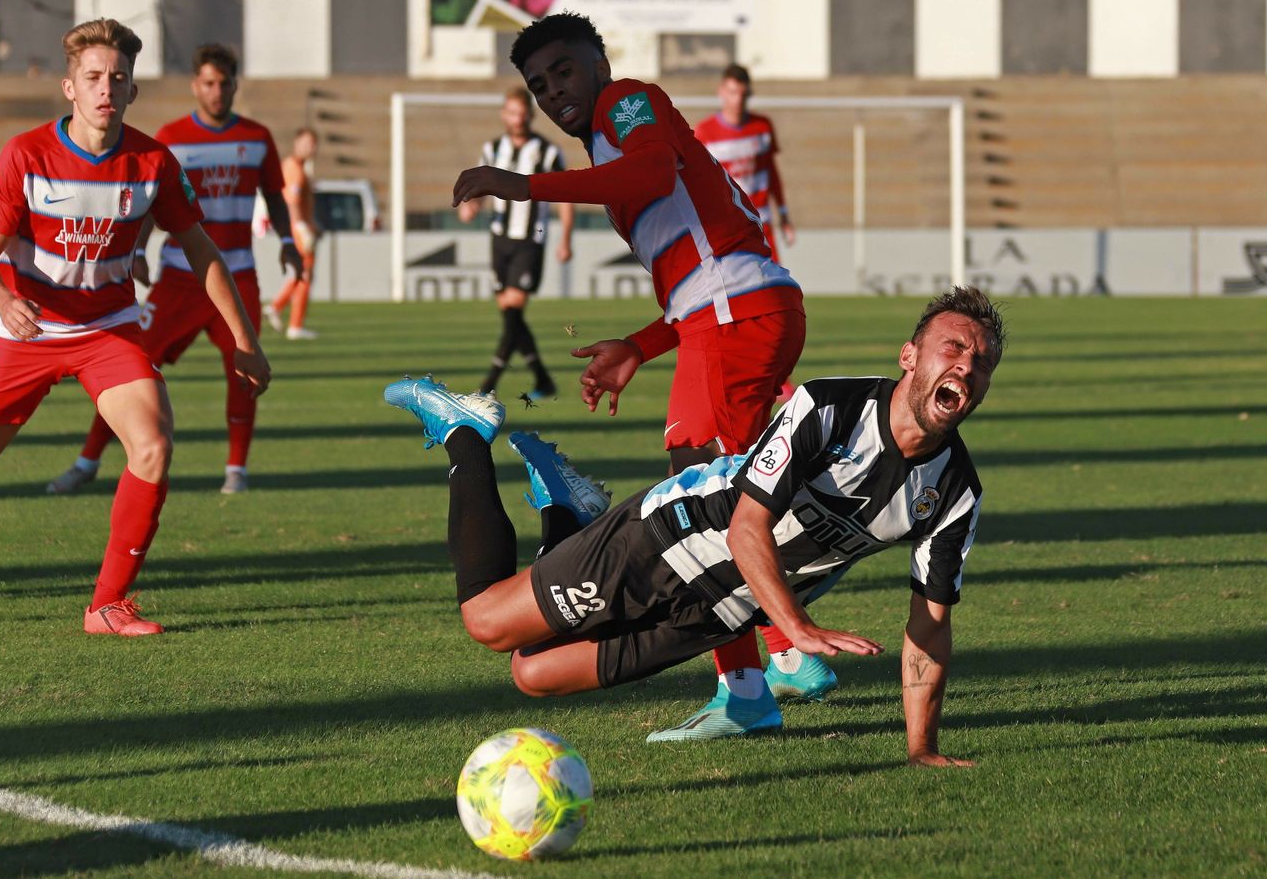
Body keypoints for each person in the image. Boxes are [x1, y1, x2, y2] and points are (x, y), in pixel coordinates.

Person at [384, 286, 1003, 765]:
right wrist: (795, 627)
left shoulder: (954, 492)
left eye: (981, 362)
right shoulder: (831, 408)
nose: (965, 366)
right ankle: (467, 432)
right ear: (909, 356)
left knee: (532, 672)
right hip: (667, 539)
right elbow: (745, 529)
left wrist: (921, 748)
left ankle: (567, 511)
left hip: (719, 612)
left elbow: (930, 624)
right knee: (487, 622)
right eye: (952, 348)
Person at [0, 18, 270, 638]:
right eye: (93, 77)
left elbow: (203, 253)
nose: (105, 88)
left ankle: (107, 605)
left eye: (117, 77)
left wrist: (246, 342)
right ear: (70, 87)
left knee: (152, 447)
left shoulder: (153, 162)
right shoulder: (26, 155)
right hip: (25, 334)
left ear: (133, 89)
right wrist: (5, 302)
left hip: (108, 330)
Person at [450, 12, 820, 738]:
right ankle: (775, 660)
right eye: (539, 84)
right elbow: (701, 262)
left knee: (704, 505)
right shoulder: (607, 144)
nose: (553, 91)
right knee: (716, 500)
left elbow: (655, 173)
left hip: (734, 318)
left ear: (599, 62)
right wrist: (641, 348)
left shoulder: (626, 102)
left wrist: (522, 185)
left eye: (563, 70)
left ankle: (763, 677)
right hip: (730, 314)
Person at [47, 43, 301, 497]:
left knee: (245, 374)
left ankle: (236, 471)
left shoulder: (258, 138)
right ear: (195, 86)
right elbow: (150, 201)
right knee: (129, 371)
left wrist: (287, 242)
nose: (217, 91)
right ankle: (88, 461)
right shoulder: (173, 137)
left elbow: (276, 198)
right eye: (209, 83)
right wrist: (139, 249)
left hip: (237, 277)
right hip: (178, 279)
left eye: (224, 83)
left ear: (235, 85)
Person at [457, 87, 574, 398]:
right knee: (512, 317)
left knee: (512, 314)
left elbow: (565, 197)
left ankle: (487, 386)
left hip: (529, 241)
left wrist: (565, 237)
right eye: (512, 113)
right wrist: (471, 205)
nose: (517, 119)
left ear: (530, 115)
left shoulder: (547, 151)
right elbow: (480, 189)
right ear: (503, 114)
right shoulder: (492, 149)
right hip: (499, 239)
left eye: (522, 113)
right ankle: (543, 380)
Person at [693, 63, 795, 262]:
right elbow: (698, 183)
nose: (738, 100)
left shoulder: (762, 127)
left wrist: (783, 212)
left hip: (761, 221)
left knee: (774, 279)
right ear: (722, 92)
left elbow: (771, 172)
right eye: (733, 93)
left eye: (743, 94)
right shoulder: (704, 133)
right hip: (727, 226)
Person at [263, 128, 319, 340]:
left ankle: (277, 307)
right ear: (297, 143)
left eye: (313, 144)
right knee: (304, 274)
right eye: (307, 143)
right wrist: (302, 227)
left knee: (302, 273)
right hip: (298, 228)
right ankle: (294, 324)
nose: (311, 148)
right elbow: (292, 201)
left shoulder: (297, 166)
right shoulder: (294, 168)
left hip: (299, 225)